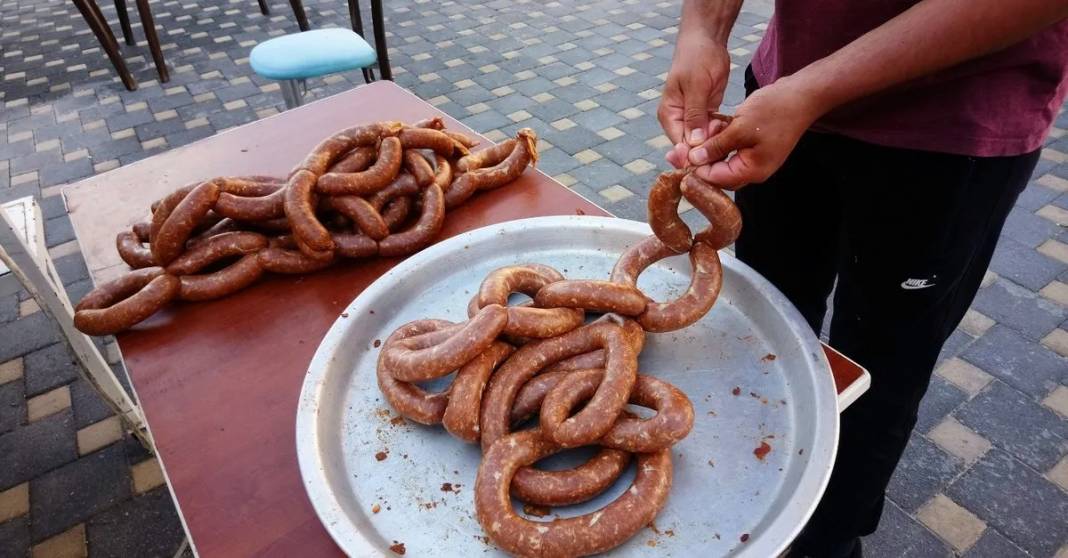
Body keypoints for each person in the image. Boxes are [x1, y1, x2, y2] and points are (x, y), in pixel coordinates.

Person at [658, 1, 1068, 557]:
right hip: (778, 99)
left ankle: (827, 542)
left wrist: (812, 91)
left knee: (878, 371)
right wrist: (703, 30)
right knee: (764, 332)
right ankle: (746, 494)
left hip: (947, 136)